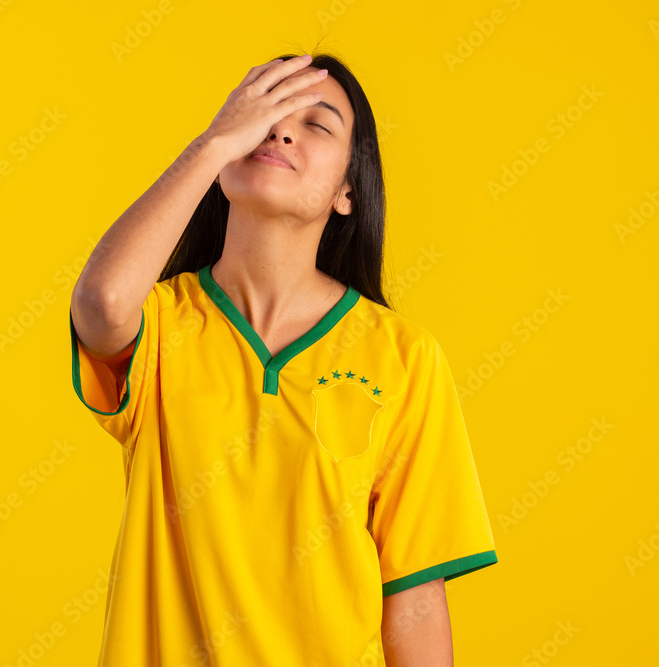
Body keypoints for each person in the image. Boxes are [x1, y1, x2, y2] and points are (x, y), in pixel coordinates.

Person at [68, 51, 498, 666]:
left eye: (316, 123)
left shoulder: (404, 357)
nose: (280, 128)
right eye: (263, 111)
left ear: (348, 190)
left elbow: (414, 600)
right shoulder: (162, 325)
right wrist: (212, 144)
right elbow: (102, 302)